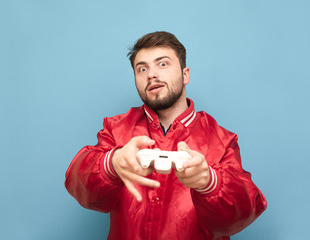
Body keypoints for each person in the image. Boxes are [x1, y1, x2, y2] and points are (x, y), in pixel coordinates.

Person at [65, 31, 267, 240]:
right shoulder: (116, 129)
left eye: (162, 64)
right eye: (142, 68)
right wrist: (112, 163)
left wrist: (210, 182)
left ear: (185, 74)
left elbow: (244, 212)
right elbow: (79, 186)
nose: (151, 74)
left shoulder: (222, 141)